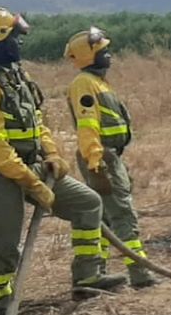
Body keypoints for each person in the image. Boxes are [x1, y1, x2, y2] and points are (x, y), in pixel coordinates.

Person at [0, 7, 123, 315]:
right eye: (15, 37)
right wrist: (31, 183)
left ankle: (88, 277)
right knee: (2, 243)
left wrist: (52, 155)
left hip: (33, 167)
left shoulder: (18, 76)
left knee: (88, 204)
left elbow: (38, 122)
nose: (20, 44)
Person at [65, 27, 156, 289]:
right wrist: (97, 163)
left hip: (110, 156)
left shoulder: (98, 82)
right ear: (88, 56)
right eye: (103, 50)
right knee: (123, 215)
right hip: (102, 156)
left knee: (104, 217)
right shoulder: (84, 84)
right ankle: (140, 273)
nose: (109, 55)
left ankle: (96, 273)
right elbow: (87, 126)